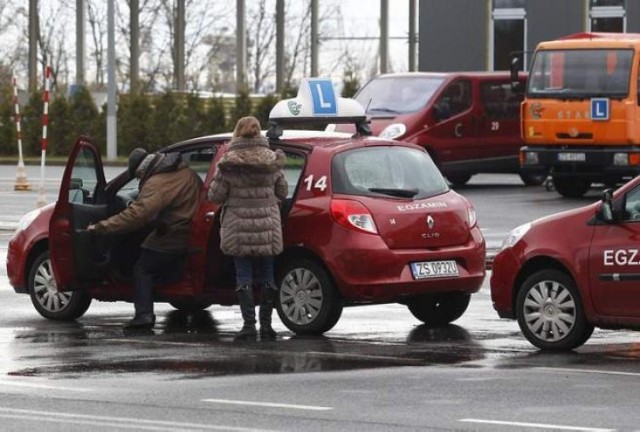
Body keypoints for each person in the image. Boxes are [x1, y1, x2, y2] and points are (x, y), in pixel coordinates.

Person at [88, 148, 203, 331]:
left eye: (139, 177)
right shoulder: (185, 172)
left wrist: (102, 227)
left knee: (142, 269)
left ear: (141, 171)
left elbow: (137, 215)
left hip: (174, 235)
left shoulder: (157, 182)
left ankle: (144, 316)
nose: (141, 180)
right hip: (193, 233)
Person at [207, 116, 288, 341]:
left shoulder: (228, 162)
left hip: (238, 225)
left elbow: (215, 195)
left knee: (244, 276)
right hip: (268, 226)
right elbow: (282, 192)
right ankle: (267, 326)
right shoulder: (272, 160)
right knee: (268, 276)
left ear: (237, 133)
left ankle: (249, 326)